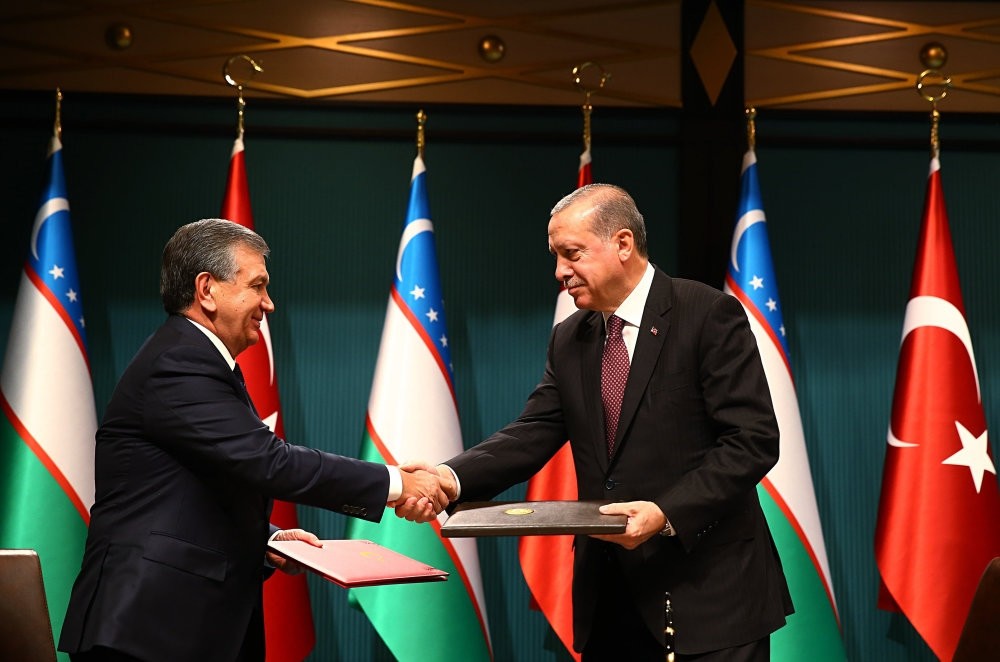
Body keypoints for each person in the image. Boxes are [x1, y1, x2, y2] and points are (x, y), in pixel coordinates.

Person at [404, 184, 792, 660]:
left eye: (572, 254)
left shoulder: (707, 314)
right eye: (556, 256)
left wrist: (665, 512)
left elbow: (752, 441)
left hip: (710, 595)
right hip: (611, 603)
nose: (560, 272)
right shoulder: (570, 339)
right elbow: (533, 431)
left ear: (623, 244)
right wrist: (448, 477)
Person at [59, 218, 445, 662]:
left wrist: (268, 538)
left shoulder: (195, 358)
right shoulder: (180, 362)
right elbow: (269, 462)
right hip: (146, 630)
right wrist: (396, 483)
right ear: (207, 290)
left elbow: (193, 490)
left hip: (174, 627)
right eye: (257, 286)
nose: (269, 303)